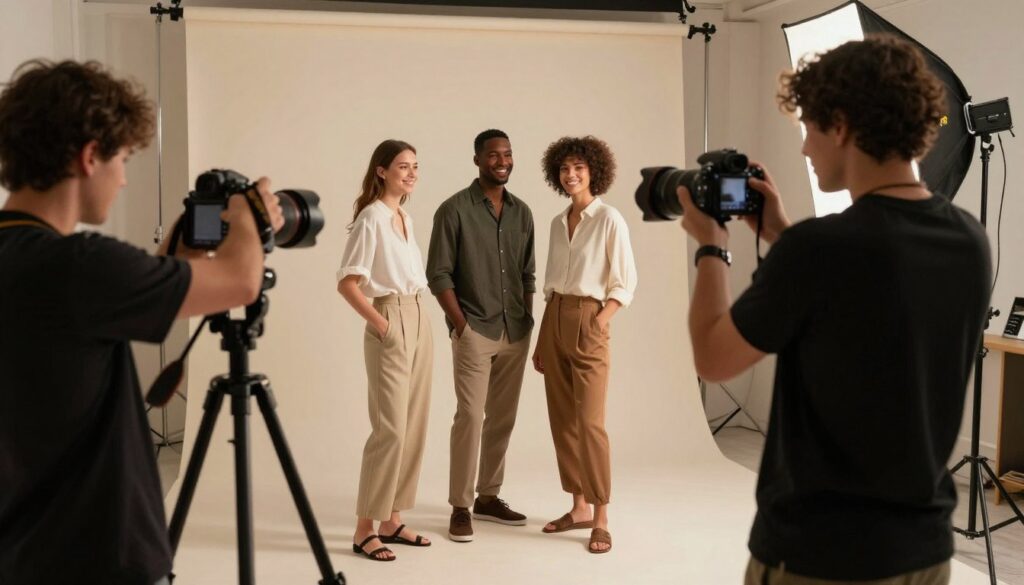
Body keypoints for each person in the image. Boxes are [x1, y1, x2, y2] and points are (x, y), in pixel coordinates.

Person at [678, 36, 991, 584]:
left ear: (841, 125)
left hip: (822, 555)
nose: (804, 149)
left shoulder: (819, 251)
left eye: (810, 129)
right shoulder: (967, 238)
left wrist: (711, 245)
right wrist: (780, 233)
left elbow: (714, 358)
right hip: (924, 553)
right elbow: (866, 290)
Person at [0, 60, 283, 585]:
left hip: (23, 550)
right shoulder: (80, 265)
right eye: (124, 159)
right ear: (89, 157)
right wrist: (250, 212)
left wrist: (175, 250)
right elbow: (242, 281)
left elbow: (105, 310)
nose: (125, 177)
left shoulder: (29, 261)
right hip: (95, 556)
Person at [426, 129, 535, 542]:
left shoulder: (522, 212)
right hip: (475, 328)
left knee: (502, 418)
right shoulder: (453, 210)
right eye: (493, 155)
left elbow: (528, 273)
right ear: (477, 160)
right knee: (470, 416)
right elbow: (438, 274)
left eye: (507, 154)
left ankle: (489, 496)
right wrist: (460, 324)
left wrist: (528, 318)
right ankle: (460, 505)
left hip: (516, 330)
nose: (502, 161)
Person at [533, 135, 637, 554]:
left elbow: (624, 283)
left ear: (594, 171)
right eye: (564, 169)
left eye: (578, 167)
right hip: (554, 317)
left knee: (591, 425)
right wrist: (543, 336)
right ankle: (577, 507)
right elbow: (552, 283)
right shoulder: (559, 222)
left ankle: (601, 516)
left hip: (589, 319)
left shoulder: (609, 219)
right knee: (563, 420)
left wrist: (598, 322)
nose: (571, 175)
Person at [336, 139, 433, 561]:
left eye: (415, 166)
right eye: (402, 166)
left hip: (419, 315)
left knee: (412, 426)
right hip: (390, 318)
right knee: (389, 429)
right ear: (381, 171)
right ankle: (364, 529)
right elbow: (347, 283)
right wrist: (383, 325)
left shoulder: (405, 218)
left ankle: (392, 519)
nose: (411, 173)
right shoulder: (372, 218)